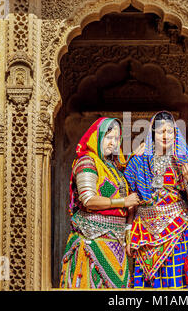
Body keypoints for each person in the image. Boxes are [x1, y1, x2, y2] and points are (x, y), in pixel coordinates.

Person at [124, 111, 188, 290]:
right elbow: (131, 199)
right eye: (161, 131)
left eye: (170, 131)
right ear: (153, 133)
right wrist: (128, 232)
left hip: (176, 232)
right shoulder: (138, 161)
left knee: (175, 285)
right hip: (143, 234)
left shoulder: (183, 160)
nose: (166, 135)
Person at [59, 117, 140, 289]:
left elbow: (126, 172)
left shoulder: (114, 167)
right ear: (98, 136)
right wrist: (124, 201)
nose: (113, 143)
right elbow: (88, 200)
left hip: (116, 245)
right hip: (92, 244)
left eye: (117, 139)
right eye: (108, 137)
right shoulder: (87, 162)